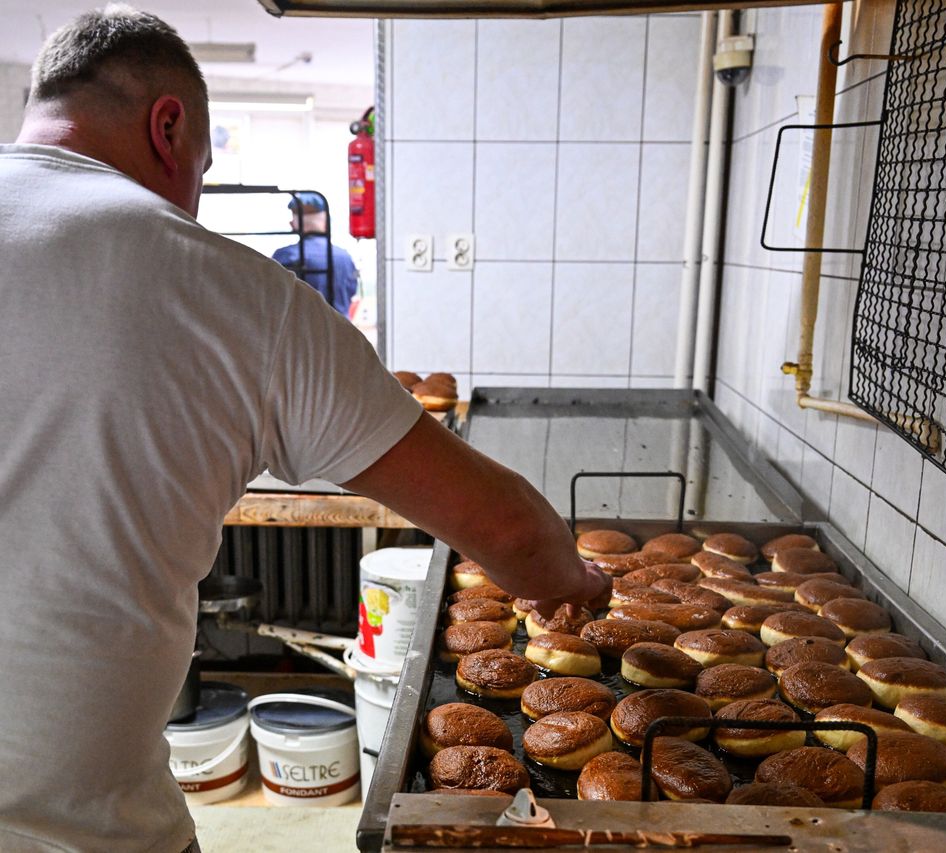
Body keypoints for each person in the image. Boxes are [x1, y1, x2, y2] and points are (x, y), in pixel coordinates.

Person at [0, 6, 609, 852]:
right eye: (202, 172)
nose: (194, 200)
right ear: (168, 126)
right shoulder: (229, 293)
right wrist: (574, 581)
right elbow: (501, 525)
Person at [270, 191, 360, 317]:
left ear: (294, 224)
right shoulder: (345, 257)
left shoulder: (284, 256)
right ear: (326, 221)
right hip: (340, 331)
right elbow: (351, 292)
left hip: (300, 333)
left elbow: (271, 298)